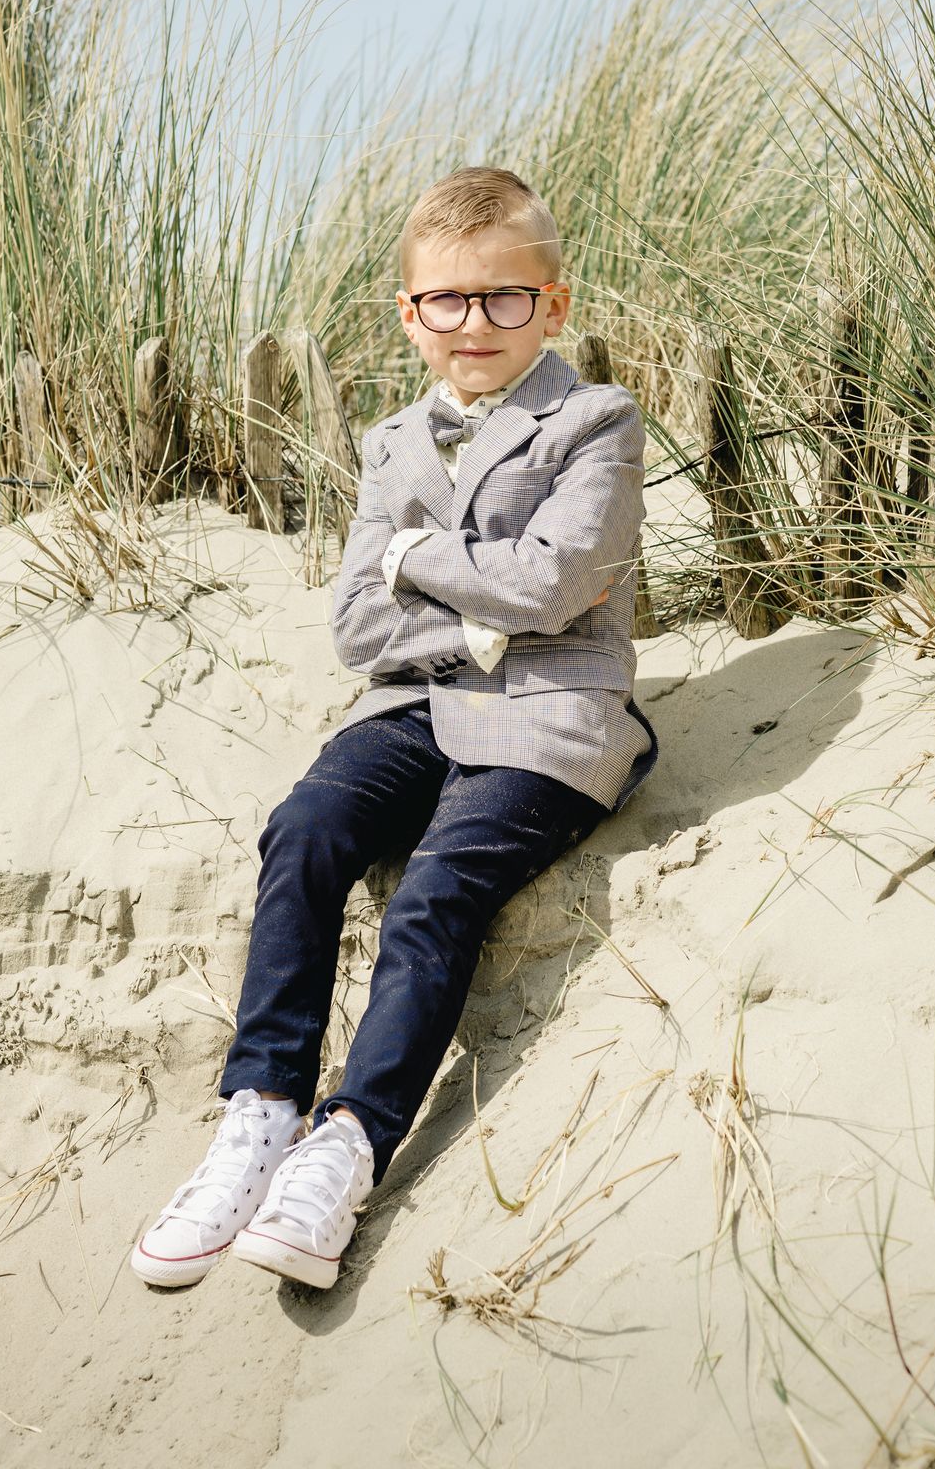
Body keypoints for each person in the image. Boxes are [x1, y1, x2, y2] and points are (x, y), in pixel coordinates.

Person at [130, 165, 659, 1291]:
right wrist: (478, 616)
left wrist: (417, 560)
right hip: (415, 704)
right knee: (307, 829)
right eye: (449, 302)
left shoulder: (594, 423)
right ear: (409, 316)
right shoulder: (389, 445)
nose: (476, 324)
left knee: (436, 888)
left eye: (504, 298)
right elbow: (358, 626)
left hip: (549, 716)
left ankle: (349, 1140)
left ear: (551, 304)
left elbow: (558, 583)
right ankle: (262, 1108)